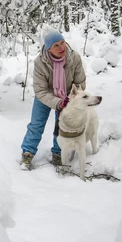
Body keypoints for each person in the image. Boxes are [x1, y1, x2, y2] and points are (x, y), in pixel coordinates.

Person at [20, 29, 86, 170]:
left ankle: (58, 153)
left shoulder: (74, 58)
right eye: (56, 45)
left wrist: (70, 99)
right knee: (36, 124)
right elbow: (40, 90)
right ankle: (28, 152)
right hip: (45, 95)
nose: (61, 47)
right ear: (48, 49)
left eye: (62, 43)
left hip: (67, 96)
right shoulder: (40, 62)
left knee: (62, 125)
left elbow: (80, 83)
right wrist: (57, 103)